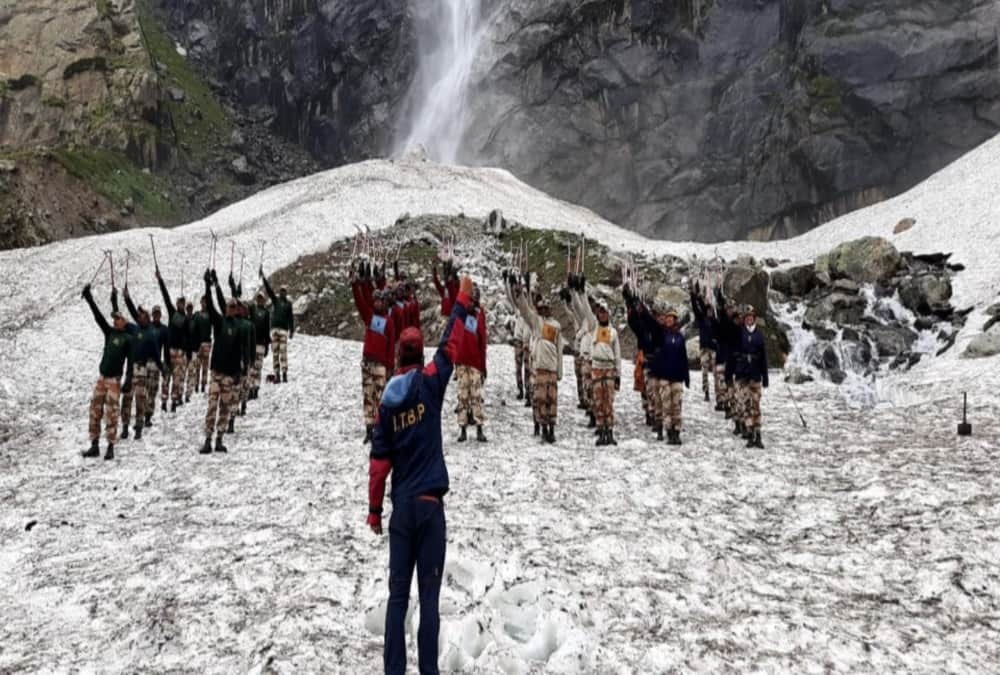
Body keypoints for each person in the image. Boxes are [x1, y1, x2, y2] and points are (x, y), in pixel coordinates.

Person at [366, 275, 475, 675]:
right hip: (431, 508)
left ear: (397, 356)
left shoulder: (386, 406)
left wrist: (375, 510)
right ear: (419, 353)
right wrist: (461, 301)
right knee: (428, 600)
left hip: (401, 513)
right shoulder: (430, 384)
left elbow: (379, 464)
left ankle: (393, 670)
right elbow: (452, 344)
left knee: (397, 599)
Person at [82, 284, 132, 460]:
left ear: (123, 322)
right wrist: (89, 299)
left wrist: (128, 380)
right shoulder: (109, 333)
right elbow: (98, 317)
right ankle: (94, 444)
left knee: (112, 413)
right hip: (102, 379)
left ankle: (110, 445)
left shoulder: (127, 339)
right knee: (95, 410)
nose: (114, 321)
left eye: (117, 319)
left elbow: (131, 362)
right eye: (114, 319)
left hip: (114, 381)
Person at [201, 270, 248, 454]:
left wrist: (239, 372)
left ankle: (219, 439)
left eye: (234, 307)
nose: (231, 309)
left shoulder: (239, 328)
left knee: (225, 408)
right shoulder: (220, 323)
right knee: (212, 405)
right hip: (217, 373)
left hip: (230, 375)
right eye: (229, 306)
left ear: (237, 310)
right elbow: (212, 306)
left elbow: (240, 351)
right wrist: (209, 285)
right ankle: (207, 439)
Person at [512, 282, 563, 444]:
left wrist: (559, 371)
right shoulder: (537, 323)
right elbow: (526, 311)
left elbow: (560, 350)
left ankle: (552, 428)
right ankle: (543, 428)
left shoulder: (556, 326)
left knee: (552, 400)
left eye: (546, 308)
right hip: (539, 369)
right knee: (540, 399)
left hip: (552, 369)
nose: (543, 310)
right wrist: (520, 296)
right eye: (541, 308)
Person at [352, 262, 397, 443]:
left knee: (381, 397)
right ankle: (369, 429)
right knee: (367, 396)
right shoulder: (370, 316)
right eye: (375, 300)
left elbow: (391, 347)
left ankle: (382, 429)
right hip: (367, 362)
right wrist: (356, 284)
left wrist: (390, 368)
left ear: (385, 302)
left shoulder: (389, 322)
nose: (377, 302)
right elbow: (359, 301)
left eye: (380, 300)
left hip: (380, 365)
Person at [113, 289, 164, 441]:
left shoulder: (151, 334)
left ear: (147, 319)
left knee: (140, 399)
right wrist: (126, 298)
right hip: (131, 369)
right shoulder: (134, 329)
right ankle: (125, 426)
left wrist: (162, 369)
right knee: (127, 398)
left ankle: (139, 427)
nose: (139, 317)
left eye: (142, 316)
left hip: (142, 370)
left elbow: (155, 354)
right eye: (139, 316)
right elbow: (126, 314)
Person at [637, 301, 690, 445]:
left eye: (671, 318)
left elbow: (684, 358)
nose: (668, 320)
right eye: (667, 318)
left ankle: (677, 431)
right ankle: (669, 431)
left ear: (675, 320)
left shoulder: (680, 337)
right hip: (664, 376)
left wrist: (687, 377)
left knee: (677, 406)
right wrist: (643, 310)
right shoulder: (661, 334)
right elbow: (651, 323)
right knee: (666, 406)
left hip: (677, 377)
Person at [453, 283, 488, 442]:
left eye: (474, 300)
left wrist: (483, 366)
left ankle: (479, 427)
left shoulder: (479, 317)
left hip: (474, 362)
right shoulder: (459, 315)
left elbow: (482, 342)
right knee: (462, 396)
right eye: (470, 299)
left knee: (476, 395)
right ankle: (462, 428)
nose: (471, 303)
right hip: (461, 361)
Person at [734, 306, 768, 448]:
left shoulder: (759, 335)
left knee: (756, 406)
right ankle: (749, 433)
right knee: (746, 405)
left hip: (755, 374)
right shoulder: (740, 333)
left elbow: (763, 357)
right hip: (743, 374)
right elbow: (735, 351)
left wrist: (765, 376)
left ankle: (758, 434)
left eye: (751, 317)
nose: (749, 319)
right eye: (746, 317)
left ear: (754, 319)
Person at [588, 300, 621, 446]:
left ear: (608, 314)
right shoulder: (593, 331)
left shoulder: (613, 333)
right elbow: (590, 352)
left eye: (604, 312)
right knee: (598, 402)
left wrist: (618, 374)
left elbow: (617, 354)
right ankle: (601, 431)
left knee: (609, 402)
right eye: (600, 313)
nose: (602, 315)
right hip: (596, 369)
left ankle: (610, 432)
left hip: (609, 370)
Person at [156, 269, 188, 412]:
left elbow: (188, 337)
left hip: (180, 352)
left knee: (177, 378)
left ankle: (174, 401)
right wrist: (160, 280)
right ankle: (163, 401)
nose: (180, 305)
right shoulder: (172, 313)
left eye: (182, 303)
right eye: (179, 302)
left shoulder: (187, 319)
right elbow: (165, 296)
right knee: (166, 377)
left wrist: (187, 352)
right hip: (170, 351)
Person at [260, 267, 294, 382]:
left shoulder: (289, 304)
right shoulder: (276, 300)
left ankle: (284, 373)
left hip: (284, 329)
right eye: (281, 291)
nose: (282, 292)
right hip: (274, 329)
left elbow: (291, 317)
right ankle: (277, 373)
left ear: (286, 292)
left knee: (283, 351)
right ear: (280, 292)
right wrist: (264, 278)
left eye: (284, 291)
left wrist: (292, 330)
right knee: (275, 352)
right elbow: (269, 291)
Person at [690, 285, 717, 403]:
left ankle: (718, 392)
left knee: (716, 372)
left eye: (711, 311)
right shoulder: (702, 319)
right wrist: (694, 296)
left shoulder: (715, 322)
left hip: (714, 349)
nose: (710, 312)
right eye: (709, 310)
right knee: (704, 371)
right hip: (704, 349)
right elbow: (696, 308)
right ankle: (706, 391)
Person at [249, 292, 272, 399]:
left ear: (264, 300)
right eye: (258, 299)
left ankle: (256, 388)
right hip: (252, 343)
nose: (259, 300)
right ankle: (250, 388)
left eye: (261, 299)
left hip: (261, 343)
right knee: (251, 368)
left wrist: (267, 345)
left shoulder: (266, 313)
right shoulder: (253, 310)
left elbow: (267, 329)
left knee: (258, 368)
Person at [192, 295, 213, 393]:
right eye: (203, 301)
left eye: (206, 302)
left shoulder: (211, 314)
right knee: (197, 366)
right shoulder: (196, 315)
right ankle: (196, 384)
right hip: (198, 343)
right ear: (200, 303)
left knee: (205, 366)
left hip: (207, 343)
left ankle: (203, 384)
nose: (204, 303)